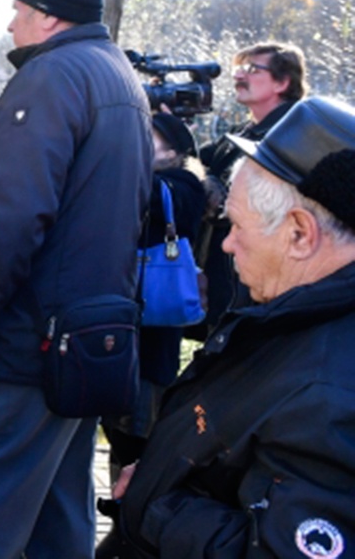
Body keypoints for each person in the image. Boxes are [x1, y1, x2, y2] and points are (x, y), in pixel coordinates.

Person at [0, 0, 151, 559]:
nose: (11, 25)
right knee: (60, 511)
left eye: (18, 10)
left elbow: (12, 216)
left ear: (50, 15)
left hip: (30, 341)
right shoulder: (115, 72)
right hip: (86, 338)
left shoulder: (53, 75)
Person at [116, 96, 355, 558]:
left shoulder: (330, 396)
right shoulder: (293, 318)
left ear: (300, 234)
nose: (226, 244)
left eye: (238, 226)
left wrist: (160, 508)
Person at [96, 114, 206, 558]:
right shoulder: (156, 180)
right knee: (118, 429)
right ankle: (120, 515)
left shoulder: (184, 186)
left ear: (175, 150)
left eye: (150, 140)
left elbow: (150, 201)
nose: (138, 145)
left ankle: (131, 526)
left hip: (154, 333)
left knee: (138, 433)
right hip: (130, 324)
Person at [197, 42, 307, 325]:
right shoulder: (242, 132)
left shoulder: (292, 135)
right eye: (238, 68)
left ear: (282, 82)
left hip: (257, 283)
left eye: (251, 69)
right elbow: (195, 160)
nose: (238, 76)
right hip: (225, 273)